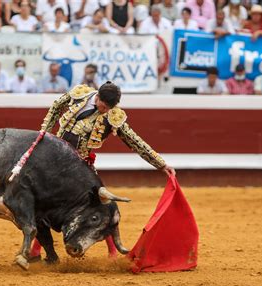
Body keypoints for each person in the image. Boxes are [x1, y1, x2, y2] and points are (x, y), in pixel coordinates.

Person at [29, 81, 176, 260]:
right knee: (44, 202)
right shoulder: (80, 94)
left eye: (109, 108)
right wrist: (42, 135)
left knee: (102, 203)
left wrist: (160, 164)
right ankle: (36, 251)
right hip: (55, 160)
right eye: (104, 106)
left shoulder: (113, 115)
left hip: (80, 167)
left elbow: (134, 141)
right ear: (97, 97)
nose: (105, 111)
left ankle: (113, 251)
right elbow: (55, 106)